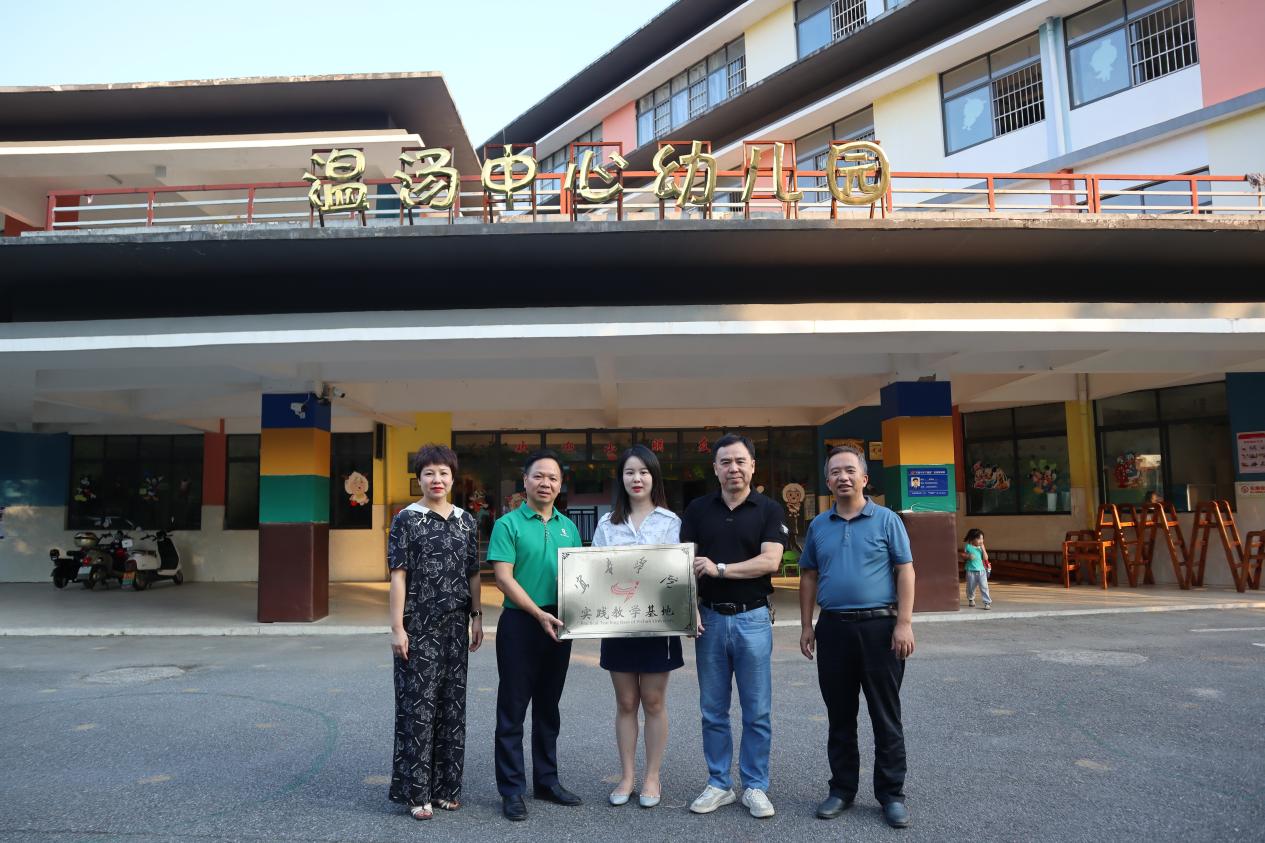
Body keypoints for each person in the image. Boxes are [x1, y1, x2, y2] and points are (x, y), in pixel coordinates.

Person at [799, 444, 915, 830]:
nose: (843, 477)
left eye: (850, 470)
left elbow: (905, 570)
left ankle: (891, 795)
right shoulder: (819, 526)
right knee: (840, 717)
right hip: (834, 629)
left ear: (864, 478)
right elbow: (809, 575)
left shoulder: (887, 520)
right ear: (827, 481)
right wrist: (806, 625)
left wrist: (904, 623)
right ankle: (842, 789)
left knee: (886, 716)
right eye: (835, 472)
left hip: (881, 629)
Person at [682, 433, 787, 819]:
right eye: (725, 462)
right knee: (713, 709)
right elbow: (684, 564)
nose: (733, 468)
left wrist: (720, 569)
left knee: (757, 710)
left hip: (753, 618)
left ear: (752, 466)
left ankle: (755, 786)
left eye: (740, 461)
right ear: (715, 468)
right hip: (708, 619)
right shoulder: (697, 509)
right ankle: (719, 783)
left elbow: (770, 561)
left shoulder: (769, 510)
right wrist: (688, 606)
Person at [387, 444, 484, 821]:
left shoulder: (465, 521)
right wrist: (397, 627)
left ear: (453, 478)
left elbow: (473, 573)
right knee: (418, 708)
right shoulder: (406, 520)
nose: (437, 479)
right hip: (419, 626)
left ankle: (447, 788)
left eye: (443, 473)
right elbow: (398, 576)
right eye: (429, 473)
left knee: (452, 706)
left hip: (456, 627)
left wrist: (477, 616)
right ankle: (417, 793)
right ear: (419, 479)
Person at [488, 449, 584, 821]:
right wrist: (536, 613)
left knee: (548, 706)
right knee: (512, 709)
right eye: (539, 476)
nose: (546, 483)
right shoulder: (507, 524)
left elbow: (581, 578)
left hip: (559, 623)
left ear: (561, 485)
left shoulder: (568, 527)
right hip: (521, 624)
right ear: (525, 481)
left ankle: (546, 781)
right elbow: (503, 578)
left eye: (553, 478)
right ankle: (512, 789)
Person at [592, 445, 685, 809]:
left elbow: (680, 575)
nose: (637, 478)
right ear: (621, 478)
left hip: (659, 623)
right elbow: (594, 574)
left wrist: (690, 612)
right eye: (629, 472)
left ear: (654, 476)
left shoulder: (671, 522)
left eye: (643, 472)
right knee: (626, 701)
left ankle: (652, 776)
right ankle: (628, 775)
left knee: (654, 700)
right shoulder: (607, 524)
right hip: (618, 624)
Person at [963, 528, 992, 610]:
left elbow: (986, 558)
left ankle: (987, 602)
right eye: (979, 539)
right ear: (972, 538)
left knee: (984, 587)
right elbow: (964, 557)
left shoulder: (981, 548)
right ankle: (971, 599)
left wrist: (983, 549)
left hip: (981, 571)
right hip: (970, 571)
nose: (981, 541)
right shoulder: (968, 546)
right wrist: (968, 556)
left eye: (982, 539)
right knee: (971, 587)